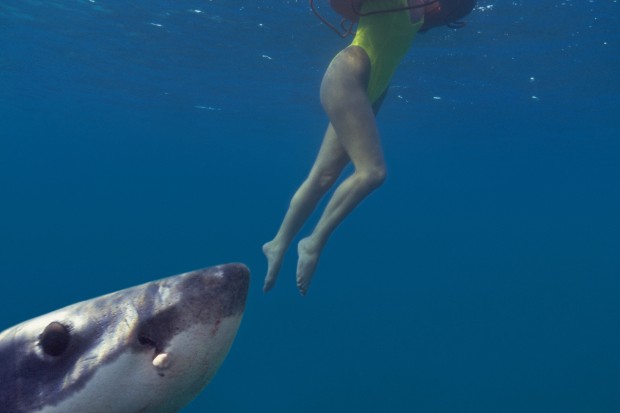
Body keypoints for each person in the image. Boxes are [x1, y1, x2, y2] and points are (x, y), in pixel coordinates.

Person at [263, 0, 475, 295]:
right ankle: (312, 244)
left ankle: (277, 243)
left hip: (371, 87)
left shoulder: (422, 13)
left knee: (322, 176)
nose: (442, 16)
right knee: (372, 172)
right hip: (347, 74)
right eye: (447, 11)